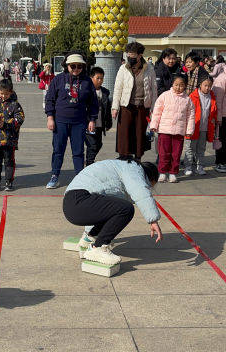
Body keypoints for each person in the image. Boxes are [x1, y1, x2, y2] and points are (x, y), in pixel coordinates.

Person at [62, 159, 162, 266]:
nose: (150, 188)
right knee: (126, 209)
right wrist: (153, 220)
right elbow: (140, 191)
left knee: (115, 208)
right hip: (79, 201)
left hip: (72, 204)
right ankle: (98, 248)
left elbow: (102, 208)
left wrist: (89, 233)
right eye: (151, 185)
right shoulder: (134, 169)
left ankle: (89, 239)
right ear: (150, 178)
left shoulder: (119, 167)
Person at [44, 53, 98, 189]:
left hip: (79, 122)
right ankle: (54, 176)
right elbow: (49, 99)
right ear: (66, 66)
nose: (76, 69)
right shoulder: (58, 80)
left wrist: (92, 120)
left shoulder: (87, 81)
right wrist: (50, 117)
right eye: (72, 66)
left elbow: (93, 103)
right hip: (60, 121)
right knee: (58, 150)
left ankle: (79, 178)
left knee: (78, 151)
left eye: (79, 66)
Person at [112, 42, 158, 161]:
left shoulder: (149, 69)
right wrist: (115, 107)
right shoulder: (123, 68)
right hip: (126, 105)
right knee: (124, 134)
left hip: (142, 106)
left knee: (139, 133)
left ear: (139, 55)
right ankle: (123, 157)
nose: (129, 58)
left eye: (132, 56)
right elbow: (118, 88)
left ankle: (138, 158)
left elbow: (153, 90)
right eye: (128, 55)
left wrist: (154, 109)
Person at [149, 74, 195, 183]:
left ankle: (173, 172)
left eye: (181, 85)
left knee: (176, 153)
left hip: (179, 132)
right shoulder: (164, 96)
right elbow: (157, 112)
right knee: (164, 153)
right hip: (164, 130)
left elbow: (191, 116)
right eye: (176, 85)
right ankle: (162, 172)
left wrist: (189, 131)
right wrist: (154, 125)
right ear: (172, 84)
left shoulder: (187, 100)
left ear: (185, 86)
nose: (178, 87)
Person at [0, 78, 24, 191]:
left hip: (9, 140)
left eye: (6, 94)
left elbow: (20, 119)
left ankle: (8, 181)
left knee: (9, 162)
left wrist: (5, 124)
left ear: (11, 92)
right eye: (1, 93)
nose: (3, 96)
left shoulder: (15, 104)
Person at [187, 76, 218, 176]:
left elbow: (214, 111)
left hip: (205, 128)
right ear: (200, 84)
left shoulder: (212, 96)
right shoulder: (193, 96)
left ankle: (199, 167)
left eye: (210, 86)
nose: (207, 88)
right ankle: (188, 166)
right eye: (205, 85)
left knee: (201, 148)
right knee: (190, 148)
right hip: (193, 127)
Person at [85, 66, 112, 166]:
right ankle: (89, 163)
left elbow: (107, 109)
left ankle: (89, 160)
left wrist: (108, 122)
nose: (100, 81)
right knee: (92, 145)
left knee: (99, 144)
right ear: (91, 78)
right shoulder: (86, 91)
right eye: (98, 78)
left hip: (100, 123)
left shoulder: (105, 92)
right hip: (89, 122)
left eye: (102, 78)